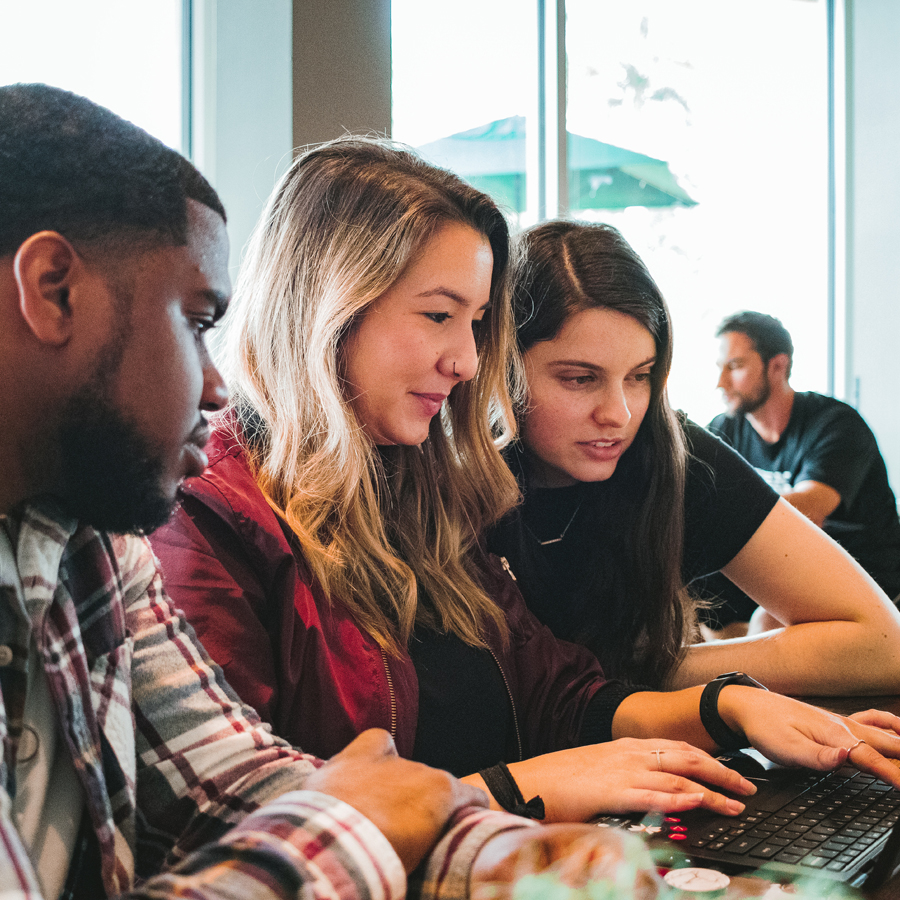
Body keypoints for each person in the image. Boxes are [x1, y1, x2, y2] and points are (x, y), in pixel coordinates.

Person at [0, 82, 643, 900]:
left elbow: (231, 780)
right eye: (198, 322)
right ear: (53, 288)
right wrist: (379, 826)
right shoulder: (190, 509)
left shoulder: (90, 543)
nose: (213, 385)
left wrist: (500, 854)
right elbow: (321, 821)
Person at [151, 138, 900, 828]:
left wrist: (728, 703)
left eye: (476, 323)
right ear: (326, 306)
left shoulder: (412, 487)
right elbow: (245, 825)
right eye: (441, 315)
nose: (470, 361)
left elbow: (559, 693)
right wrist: (517, 788)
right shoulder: (211, 517)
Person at [484, 220, 900, 696]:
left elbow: (883, 644)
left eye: (639, 376)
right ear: (502, 364)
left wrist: (646, 671)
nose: (619, 414)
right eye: (580, 379)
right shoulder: (443, 473)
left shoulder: (675, 454)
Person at [708, 311, 900, 623]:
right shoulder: (724, 430)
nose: (721, 383)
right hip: (784, 564)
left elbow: (809, 509)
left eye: (736, 366)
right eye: (719, 368)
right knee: (681, 594)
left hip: (865, 571)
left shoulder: (836, 424)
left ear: (778, 366)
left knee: (766, 620)